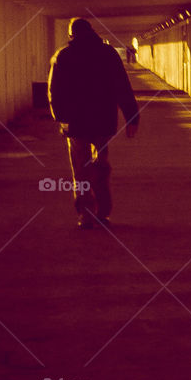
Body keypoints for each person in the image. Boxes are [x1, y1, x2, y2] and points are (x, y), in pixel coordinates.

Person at [47, 18, 140, 228]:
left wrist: (61, 118)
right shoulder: (108, 54)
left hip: (76, 124)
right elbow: (122, 87)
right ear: (92, 31)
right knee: (100, 167)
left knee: (80, 170)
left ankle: (86, 215)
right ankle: (103, 213)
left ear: (71, 35)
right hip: (103, 123)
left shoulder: (63, 56)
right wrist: (132, 116)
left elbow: (54, 91)